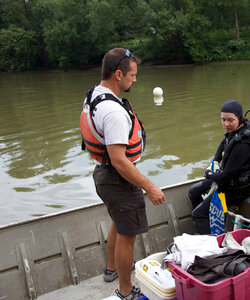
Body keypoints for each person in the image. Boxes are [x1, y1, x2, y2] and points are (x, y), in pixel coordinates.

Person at [80, 48, 165, 300]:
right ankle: (126, 291)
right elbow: (119, 160)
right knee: (127, 237)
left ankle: (111, 269)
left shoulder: (94, 95)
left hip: (103, 176)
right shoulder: (114, 112)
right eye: (132, 75)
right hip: (117, 179)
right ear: (118, 74)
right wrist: (149, 187)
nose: (135, 80)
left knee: (119, 221)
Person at [189, 100, 250, 234]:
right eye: (223, 119)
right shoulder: (238, 130)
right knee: (193, 192)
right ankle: (207, 224)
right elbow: (224, 142)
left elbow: (225, 176)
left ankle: (209, 245)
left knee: (198, 215)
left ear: (240, 117)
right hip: (229, 181)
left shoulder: (244, 145)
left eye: (230, 120)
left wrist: (208, 174)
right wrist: (215, 162)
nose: (226, 124)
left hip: (237, 190)